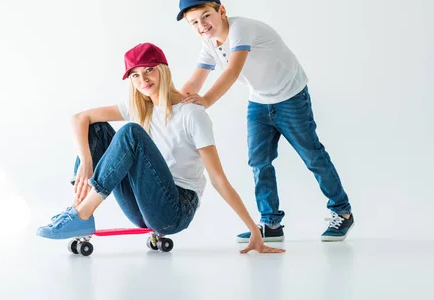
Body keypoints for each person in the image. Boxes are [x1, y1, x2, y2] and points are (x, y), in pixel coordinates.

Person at [37, 42, 284, 254]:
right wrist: (86, 161)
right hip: (143, 207)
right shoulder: (139, 108)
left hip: (175, 210)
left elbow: (218, 179)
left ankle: (81, 215)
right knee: (96, 128)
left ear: (164, 71)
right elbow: (80, 118)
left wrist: (254, 229)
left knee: (131, 133)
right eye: (135, 75)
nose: (143, 80)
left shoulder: (192, 114)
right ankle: (78, 211)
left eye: (149, 71)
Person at [176, 0, 354, 242]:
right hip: (259, 101)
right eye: (194, 22)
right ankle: (270, 223)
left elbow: (232, 71)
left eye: (206, 15)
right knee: (259, 162)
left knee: (312, 156)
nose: (202, 25)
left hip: (291, 97)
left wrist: (205, 101)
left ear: (221, 11)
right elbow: (195, 81)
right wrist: (171, 104)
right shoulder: (209, 44)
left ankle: (343, 212)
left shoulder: (241, 29)